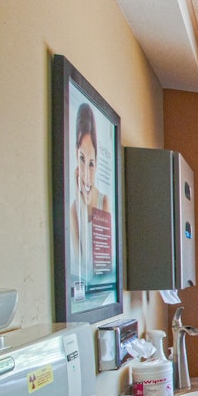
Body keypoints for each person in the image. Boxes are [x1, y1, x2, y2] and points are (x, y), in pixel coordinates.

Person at [69, 102, 110, 285]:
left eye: (91, 163)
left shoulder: (105, 202)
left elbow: (102, 268)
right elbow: (82, 270)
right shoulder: (73, 211)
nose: (86, 173)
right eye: (81, 159)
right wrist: (80, 202)